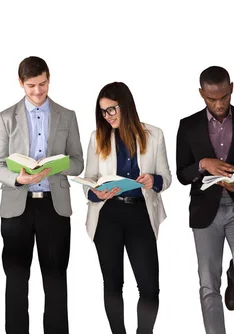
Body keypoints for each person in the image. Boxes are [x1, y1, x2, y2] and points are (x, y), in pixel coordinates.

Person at [0, 56, 83, 334]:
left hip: (54, 208)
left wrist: (57, 165)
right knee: (17, 281)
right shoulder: (6, 117)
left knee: (56, 281)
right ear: (21, 83)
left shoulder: (67, 116)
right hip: (17, 207)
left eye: (42, 84)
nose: (38, 91)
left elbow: (79, 162)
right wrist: (18, 178)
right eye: (31, 86)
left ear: (49, 79)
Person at [176, 66, 234, 334]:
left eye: (224, 97)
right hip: (205, 211)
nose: (218, 104)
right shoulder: (188, 126)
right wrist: (204, 163)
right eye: (211, 99)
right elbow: (182, 174)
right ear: (201, 93)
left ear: (231, 88)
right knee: (208, 284)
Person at [82, 82, 171, 334]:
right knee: (112, 284)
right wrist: (95, 192)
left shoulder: (154, 135)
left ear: (126, 105)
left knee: (150, 288)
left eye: (112, 109)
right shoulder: (97, 137)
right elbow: (88, 180)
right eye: (103, 111)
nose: (108, 116)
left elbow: (166, 176)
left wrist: (155, 180)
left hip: (141, 213)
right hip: (108, 214)